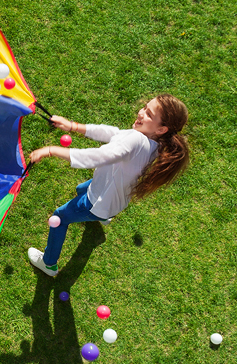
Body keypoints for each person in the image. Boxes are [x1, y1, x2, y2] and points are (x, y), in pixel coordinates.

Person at [26, 94, 190, 276]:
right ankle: (104, 217)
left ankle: (48, 264)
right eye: (145, 107)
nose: (142, 113)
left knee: (59, 217)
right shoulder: (157, 144)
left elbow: (99, 157)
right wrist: (72, 126)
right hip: (117, 197)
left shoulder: (135, 140)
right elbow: (113, 133)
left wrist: (52, 150)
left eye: (149, 114)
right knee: (82, 189)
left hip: (97, 202)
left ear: (161, 129)